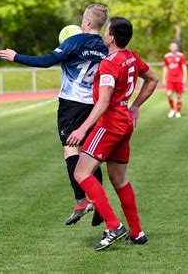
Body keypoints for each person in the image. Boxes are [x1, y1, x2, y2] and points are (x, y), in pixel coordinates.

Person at [0, 4, 109, 226]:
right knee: (90, 156)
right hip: (94, 106)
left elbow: (47, 61)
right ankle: (99, 202)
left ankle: (81, 201)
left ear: (86, 22)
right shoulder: (105, 47)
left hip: (71, 105)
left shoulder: (75, 41)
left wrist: (16, 56)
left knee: (71, 150)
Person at [67, 17, 159, 251]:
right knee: (119, 179)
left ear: (111, 37)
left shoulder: (109, 63)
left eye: (107, 32)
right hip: (125, 122)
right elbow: (152, 79)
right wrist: (136, 106)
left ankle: (114, 225)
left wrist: (82, 128)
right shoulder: (132, 57)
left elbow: (104, 101)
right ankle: (137, 233)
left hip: (110, 124)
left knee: (81, 173)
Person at [162, 42, 187, 118]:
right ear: (170, 47)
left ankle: (178, 111)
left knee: (179, 96)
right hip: (170, 79)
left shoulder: (181, 56)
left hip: (179, 79)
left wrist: (185, 77)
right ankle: (172, 109)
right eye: (172, 46)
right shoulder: (166, 56)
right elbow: (165, 67)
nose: (173, 48)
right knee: (169, 94)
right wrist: (163, 78)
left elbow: (184, 67)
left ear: (177, 48)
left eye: (175, 46)